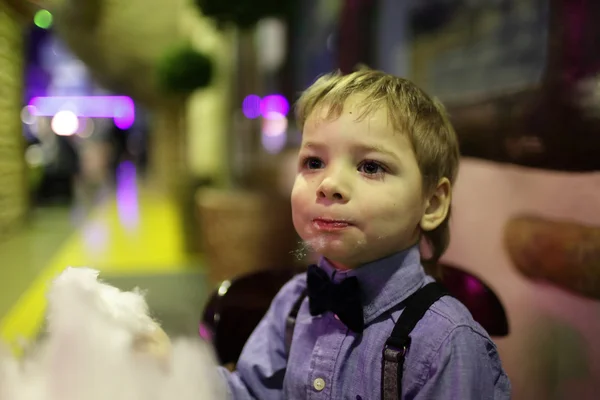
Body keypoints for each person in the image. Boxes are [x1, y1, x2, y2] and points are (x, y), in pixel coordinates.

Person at [220, 68, 511, 399]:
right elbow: (249, 392)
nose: (329, 185)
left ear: (431, 203)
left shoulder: (446, 342)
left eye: (370, 167)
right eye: (314, 162)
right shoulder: (293, 302)